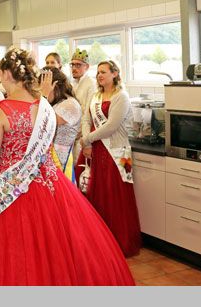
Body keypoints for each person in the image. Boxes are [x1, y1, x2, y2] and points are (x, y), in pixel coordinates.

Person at [0, 48, 134, 285]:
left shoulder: (2, 109)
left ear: (7, 74)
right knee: (60, 247)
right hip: (53, 186)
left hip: (11, 190)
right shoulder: (45, 107)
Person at [76, 60, 141, 257]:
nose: (99, 75)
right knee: (96, 195)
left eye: (103, 72)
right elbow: (86, 119)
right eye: (98, 72)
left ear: (115, 74)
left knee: (117, 196)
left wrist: (87, 139)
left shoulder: (121, 96)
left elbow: (111, 126)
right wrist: (87, 143)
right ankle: (99, 243)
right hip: (95, 149)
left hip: (118, 153)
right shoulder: (95, 96)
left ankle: (119, 242)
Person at [39, 67, 81, 182]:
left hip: (60, 161)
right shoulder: (57, 103)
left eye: (43, 88)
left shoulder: (70, 105)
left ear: (55, 86)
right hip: (50, 160)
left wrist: (44, 95)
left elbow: (42, 123)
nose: (39, 92)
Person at [69, 49, 96, 159]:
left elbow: (88, 114)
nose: (74, 68)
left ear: (87, 67)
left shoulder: (91, 84)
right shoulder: (72, 84)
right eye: (72, 65)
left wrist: (84, 138)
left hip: (83, 135)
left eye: (78, 65)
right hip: (72, 134)